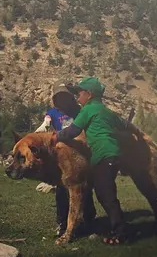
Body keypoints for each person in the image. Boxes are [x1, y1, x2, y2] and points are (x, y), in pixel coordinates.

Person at [52, 76, 130, 245]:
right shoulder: (106, 111)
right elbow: (125, 124)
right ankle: (111, 228)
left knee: (106, 196)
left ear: (89, 94)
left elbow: (73, 131)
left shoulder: (87, 110)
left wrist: (54, 137)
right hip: (111, 155)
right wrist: (131, 132)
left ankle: (120, 232)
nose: (77, 97)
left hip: (103, 156)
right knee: (103, 193)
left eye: (79, 93)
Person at [35, 81, 97, 238]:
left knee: (84, 188)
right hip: (62, 158)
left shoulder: (79, 111)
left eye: (65, 96)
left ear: (70, 97)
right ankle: (62, 223)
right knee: (62, 190)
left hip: (80, 154)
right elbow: (47, 120)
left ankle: (88, 219)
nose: (63, 100)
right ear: (55, 98)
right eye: (59, 96)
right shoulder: (53, 112)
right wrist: (45, 124)